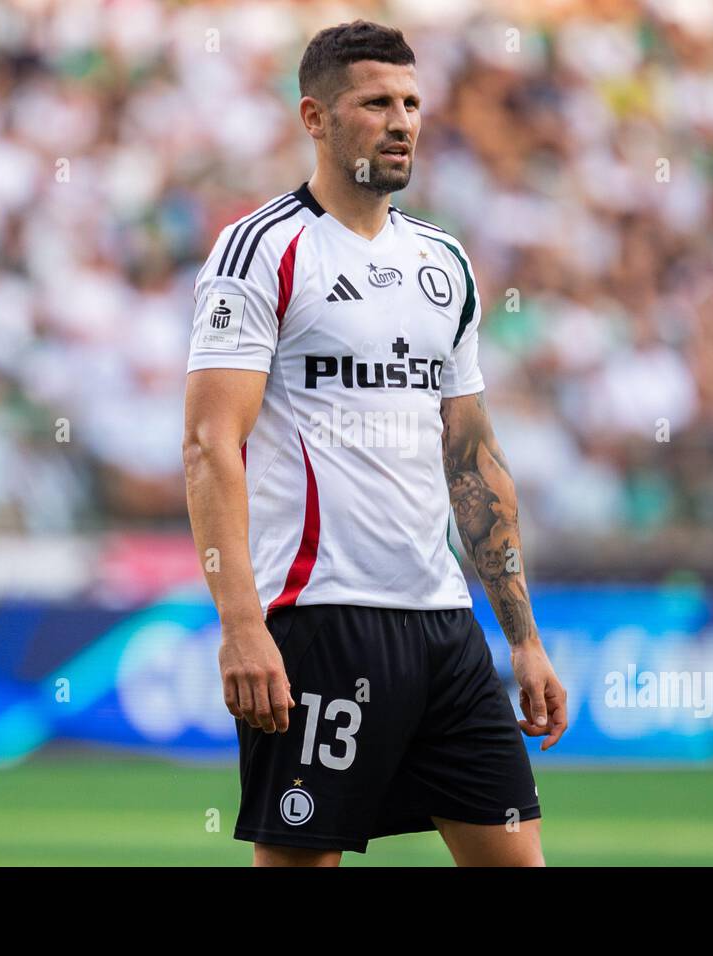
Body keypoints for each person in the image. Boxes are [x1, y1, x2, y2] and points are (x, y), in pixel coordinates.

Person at [182, 19, 567, 867]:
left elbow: (471, 457)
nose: (402, 122)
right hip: (321, 619)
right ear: (315, 118)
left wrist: (524, 639)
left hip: (442, 624)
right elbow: (212, 445)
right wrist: (242, 625)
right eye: (375, 103)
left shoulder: (445, 262)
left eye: (412, 103)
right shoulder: (262, 250)